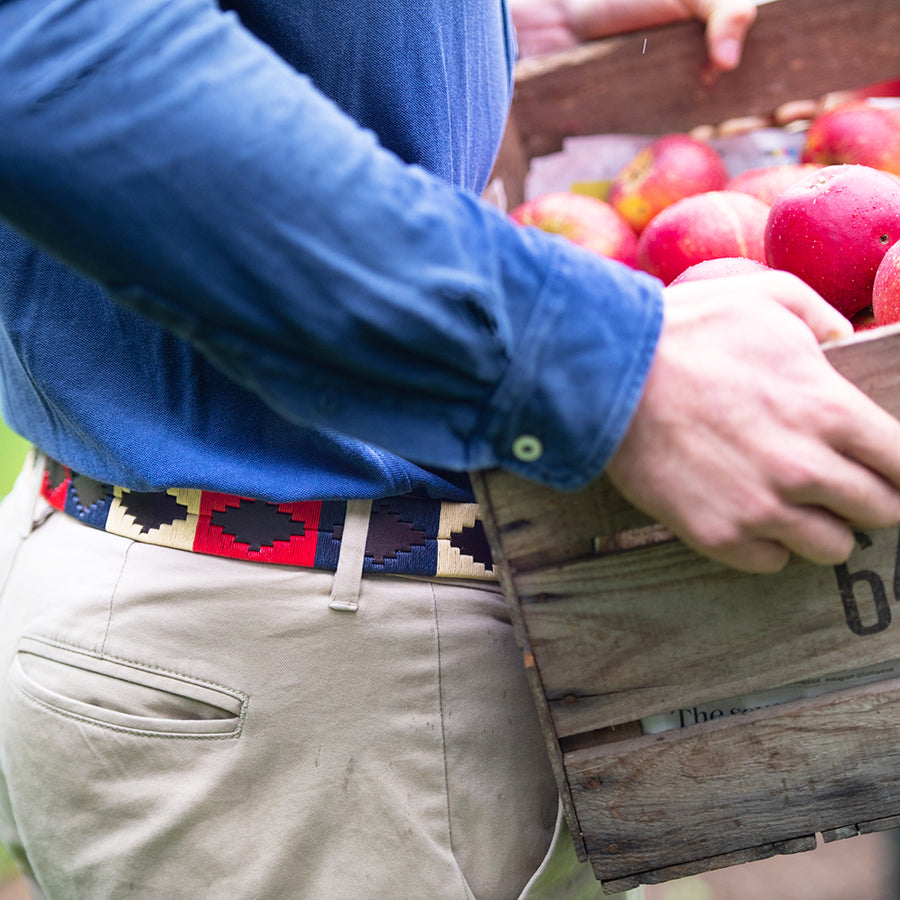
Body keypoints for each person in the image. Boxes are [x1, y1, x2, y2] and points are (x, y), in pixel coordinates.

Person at [1, 0, 900, 898]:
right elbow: (64, 51)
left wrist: (462, 37)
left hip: (472, 624)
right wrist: (586, 361)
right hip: (287, 659)